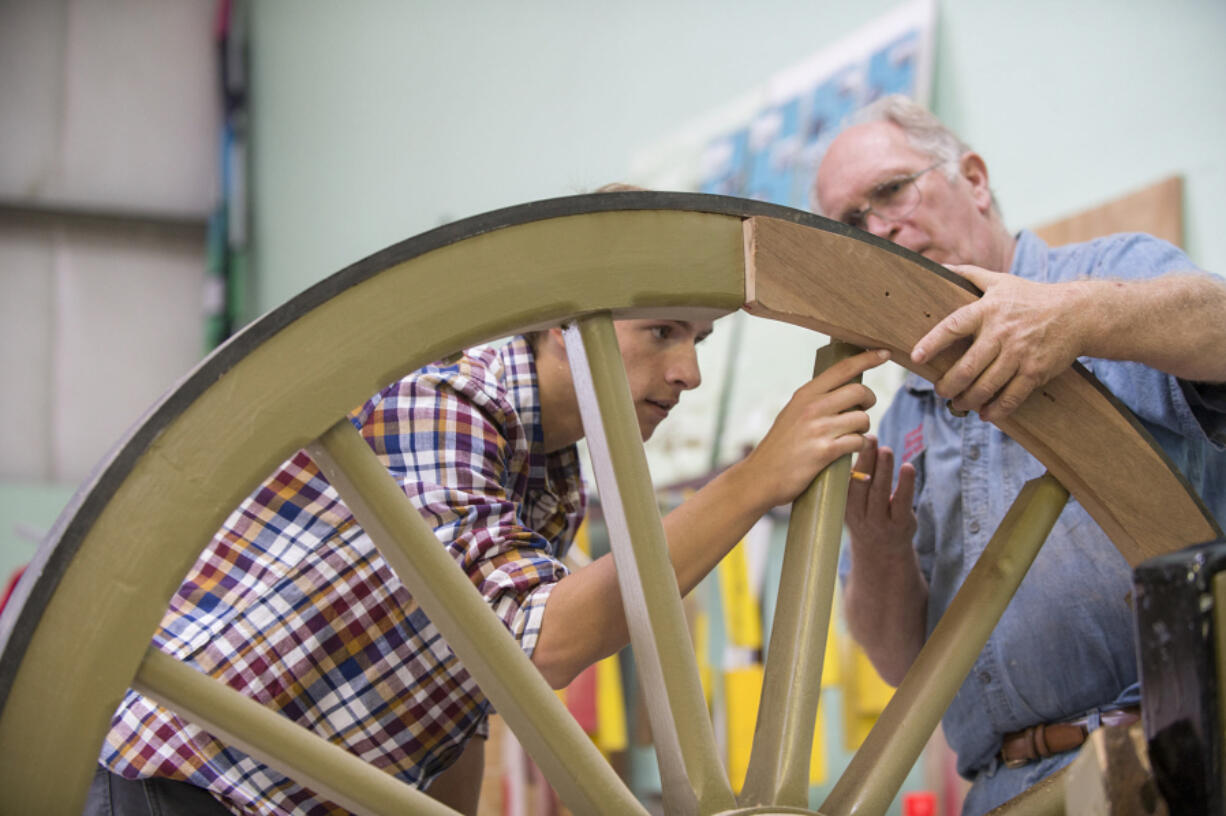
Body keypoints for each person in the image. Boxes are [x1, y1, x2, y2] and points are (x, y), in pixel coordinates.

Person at [88, 308, 888, 814]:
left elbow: (468, 693)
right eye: (662, 332)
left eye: (700, 339)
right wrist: (753, 482)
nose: (689, 371)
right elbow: (533, 642)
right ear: (557, 326)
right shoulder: (446, 398)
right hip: (176, 781)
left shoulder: (552, 470)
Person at [813, 94, 1226, 814]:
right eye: (849, 223)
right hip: (1001, 793)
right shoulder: (898, 414)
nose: (876, 228)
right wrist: (879, 552)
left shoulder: (1111, 273)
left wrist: (1076, 316)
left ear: (973, 178)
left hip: (1168, 766)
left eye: (890, 190)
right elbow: (902, 668)